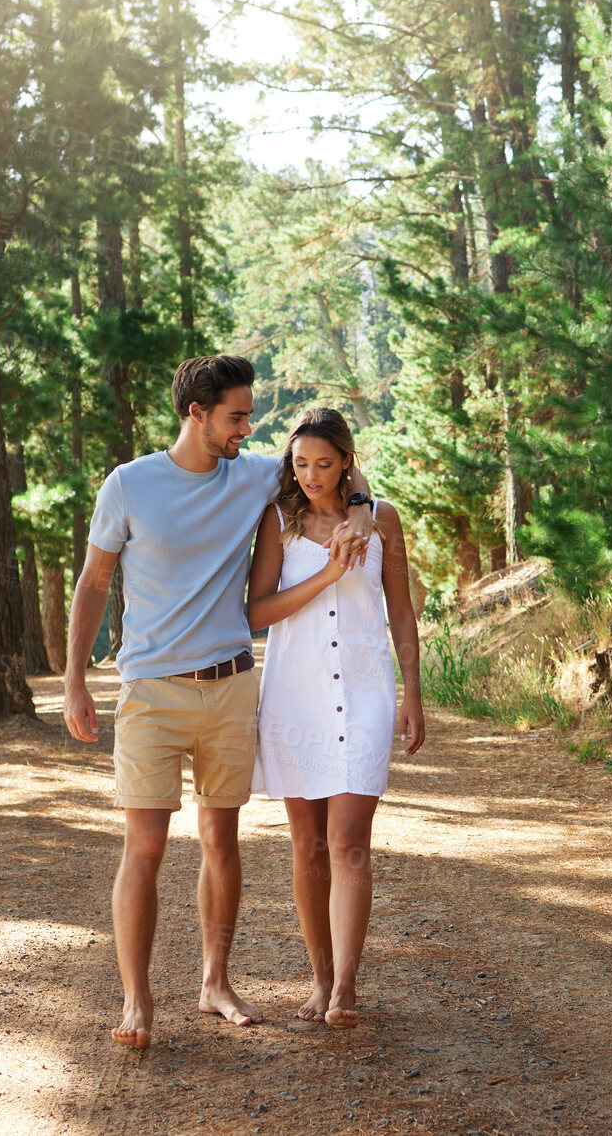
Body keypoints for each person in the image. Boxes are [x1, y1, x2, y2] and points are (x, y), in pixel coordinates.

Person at [63, 355, 376, 1049]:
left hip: (232, 684)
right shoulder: (129, 485)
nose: (248, 427)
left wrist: (356, 518)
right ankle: (136, 999)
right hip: (150, 691)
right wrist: (75, 679)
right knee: (143, 846)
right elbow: (92, 583)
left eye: (249, 414)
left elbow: (332, 470)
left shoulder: (255, 472)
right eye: (236, 415)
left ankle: (214, 981)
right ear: (195, 413)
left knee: (220, 839)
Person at [247, 407, 426, 1029]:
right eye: (301, 464)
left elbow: (400, 613)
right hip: (296, 696)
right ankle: (319, 978)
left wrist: (414, 693)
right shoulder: (276, 522)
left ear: (347, 460)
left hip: (367, 688)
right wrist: (327, 573)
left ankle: (347, 985)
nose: (312, 476)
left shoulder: (382, 522)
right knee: (308, 843)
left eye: (325, 463)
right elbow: (257, 613)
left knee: (349, 842)